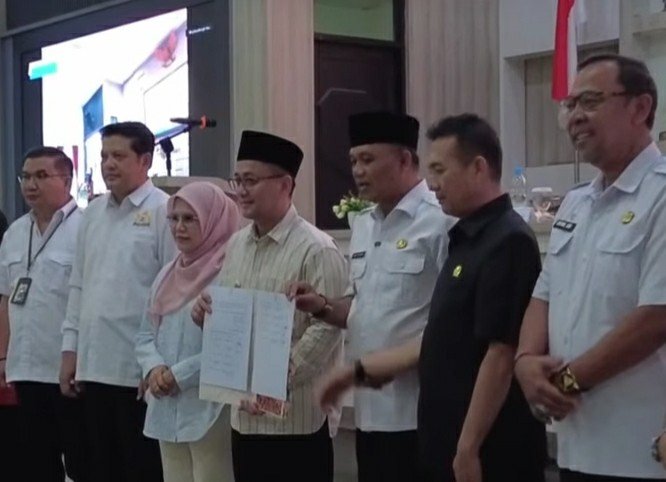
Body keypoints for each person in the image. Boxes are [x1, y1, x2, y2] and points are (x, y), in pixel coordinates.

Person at [317, 113, 547, 482]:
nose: (434, 183)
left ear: (477, 168)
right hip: (428, 424)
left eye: (440, 170)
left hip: (478, 437)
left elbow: (499, 354)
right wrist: (355, 372)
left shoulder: (505, 239)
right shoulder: (467, 236)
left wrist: (468, 447)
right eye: (353, 161)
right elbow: (441, 335)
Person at [515, 54, 666, 482]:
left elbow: (656, 317)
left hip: (641, 448)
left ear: (640, 107)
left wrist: (564, 383)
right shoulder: (577, 202)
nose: (575, 116)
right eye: (570, 104)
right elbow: (544, 292)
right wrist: (525, 361)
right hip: (576, 443)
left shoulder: (660, 195)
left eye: (591, 102)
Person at [288, 111, 452, 482]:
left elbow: (453, 319)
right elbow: (359, 307)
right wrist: (322, 306)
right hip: (369, 411)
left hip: (420, 410)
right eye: (353, 161)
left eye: (367, 159)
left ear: (405, 159)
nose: (358, 171)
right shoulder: (364, 224)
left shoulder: (440, 220)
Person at [191, 130, 347, 482]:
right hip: (244, 419)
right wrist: (207, 315)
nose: (241, 190)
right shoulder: (236, 245)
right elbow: (231, 318)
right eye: (237, 180)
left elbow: (326, 328)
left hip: (295, 423)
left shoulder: (317, 248)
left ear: (285, 185)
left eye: (251, 180)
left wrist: (271, 381)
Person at [60, 121, 176, 482]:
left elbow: (174, 294)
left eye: (119, 156)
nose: (108, 164)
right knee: (97, 467)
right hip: (94, 365)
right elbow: (79, 284)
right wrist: (70, 351)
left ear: (145, 160)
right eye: (104, 156)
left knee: (139, 468)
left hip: (138, 370)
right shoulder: (93, 213)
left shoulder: (166, 211)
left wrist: (158, 362)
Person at [136, 181, 241, 482]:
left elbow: (231, 348)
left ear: (213, 219)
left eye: (189, 218)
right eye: (174, 218)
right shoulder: (166, 274)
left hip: (210, 404)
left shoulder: (230, 274)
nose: (179, 227)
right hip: (165, 401)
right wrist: (154, 368)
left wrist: (177, 375)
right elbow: (145, 335)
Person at [0, 147, 89, 482]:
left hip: (68, 370)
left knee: (81, 462)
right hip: (24, 367)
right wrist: (2, 357)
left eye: (41, 176)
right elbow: (6, 298)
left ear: (67, 180)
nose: (30, 184)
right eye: (25, 177)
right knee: (34, 463)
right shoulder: (15, 232)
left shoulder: (84, 228)